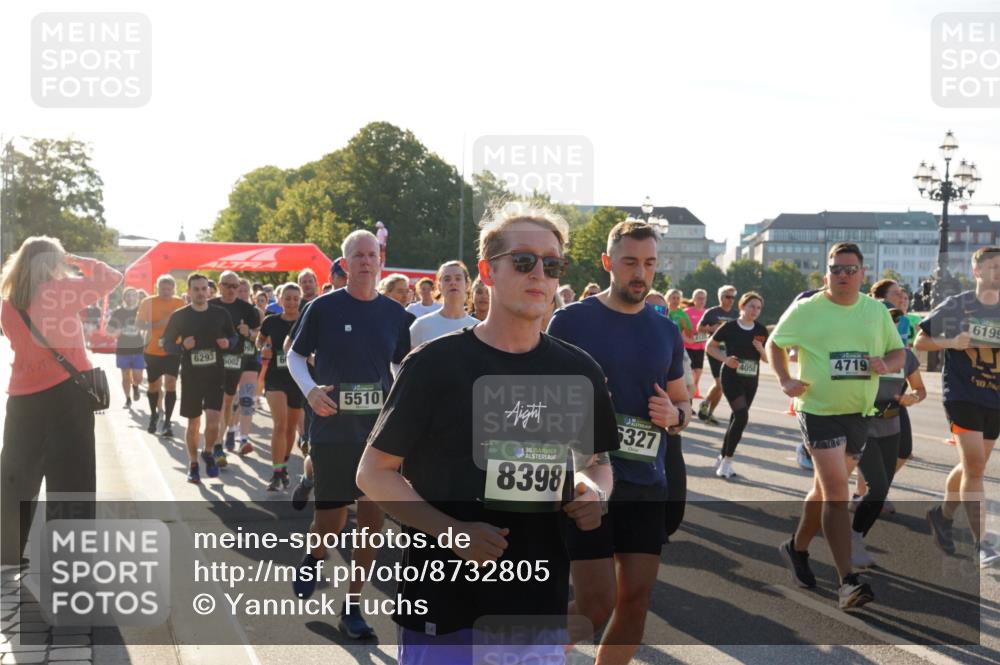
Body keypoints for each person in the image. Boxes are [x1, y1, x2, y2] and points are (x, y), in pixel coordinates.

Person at [357, 204, 617, 664]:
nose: (539, 273)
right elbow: (373, 473)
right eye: (523, 260)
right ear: (487, 272)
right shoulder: (434, 364)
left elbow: (597, 463)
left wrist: (595, 491)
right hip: (444, 607)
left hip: (536, 610)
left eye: (552, 264)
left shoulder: (578, 370)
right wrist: (453, 533)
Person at [547, 219, 689, 664]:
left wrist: (675, 416)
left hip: (646, 482)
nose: (640, 273)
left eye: (649, 263)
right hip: (586, 479)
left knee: (636, 599)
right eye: (630, 262)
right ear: (608, 262)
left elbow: (682, 400)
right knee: (595, 604)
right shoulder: (571, 320)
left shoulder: (665, 330)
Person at [287, 230, 411, 639]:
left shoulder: (395, 314)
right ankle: (315, 553)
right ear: (344, 263)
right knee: (330, 519)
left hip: (377, 433)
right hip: (332, 426)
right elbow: (295, 355)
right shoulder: (323, 308)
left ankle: (352, 606)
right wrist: (311, 391)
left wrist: (402, 406)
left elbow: (400, 367)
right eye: (357, 255)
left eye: (371, 254)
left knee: (372, 520)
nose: (365, 261)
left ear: (380, 261)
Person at [767, 242, 904, 609]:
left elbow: (898, 351)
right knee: (837, 492)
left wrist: (887, 364)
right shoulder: (807, 309)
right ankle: (848, 582)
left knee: (822, 490)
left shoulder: (875, 311)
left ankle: (796, 548)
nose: (842, 275)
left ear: (862, 274)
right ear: (826, 274)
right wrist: (784, 379)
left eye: (850, 269)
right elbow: (775, 343)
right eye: (835, 269)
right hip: (818, 409)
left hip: (858, 412)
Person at [0, 237, 122, 565]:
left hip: (22, 397)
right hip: (67, 393)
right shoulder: (60, 291)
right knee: (72, 475)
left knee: (16, 474)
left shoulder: (8, 303)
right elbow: (111, 278)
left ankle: (7, 550)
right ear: (52, 261)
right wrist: (77, 259)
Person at [917, 246, 1000, 567]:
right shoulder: (957, 305)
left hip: (995, 397)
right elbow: (919, 342)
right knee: (976, 468)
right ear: (977, 271)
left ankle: (942, 514)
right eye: (993, 266)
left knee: (972, 466)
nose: (999, 272)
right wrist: (950, 342)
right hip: (963, 395)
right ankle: (982, 543)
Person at [850, 308, 925, 568]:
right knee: (878, 487)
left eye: (894, 324)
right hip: (861, 428)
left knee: (880, 493)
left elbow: (920, 389)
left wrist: (912, 397)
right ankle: (852, 540)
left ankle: (857, 536)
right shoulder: (857, 353)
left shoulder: (906, 356)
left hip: (891, 428)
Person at [162, 273, 237, 484]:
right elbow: (166, 344)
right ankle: (193, 464)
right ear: (188, 291)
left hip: (215, 375)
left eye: (204, 289)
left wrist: (228, 343)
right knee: (193, 423)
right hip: (191, 376)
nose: (201, 293)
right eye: (196, 289)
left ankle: (208, 451)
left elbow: (233, 337)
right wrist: (181, 346)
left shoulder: (220, 313)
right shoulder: (180, 316)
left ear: (209, 290)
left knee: (213, 423)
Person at [706, 292, 769, 479]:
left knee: (736, 419)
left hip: (751, 379)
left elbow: (767, 359)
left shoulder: (761, 330)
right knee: (742, 417)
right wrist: (726, 359)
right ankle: (727, 461)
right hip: (731, 377)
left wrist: (761, 350)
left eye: (758, 308)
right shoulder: (730, 327)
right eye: (751, 306)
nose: (755, 311)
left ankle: (721, 457)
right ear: (742, 307)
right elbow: (709, 346)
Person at [210, 271, 262, 461]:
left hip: (242, 359)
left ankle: (237, 436)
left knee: (235, 400)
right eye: (227, 285)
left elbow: (259, 336)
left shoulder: (248, 310)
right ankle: (218, 444)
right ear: (219, 286)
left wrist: (249, 333)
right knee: (218, 403)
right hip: (216, 360)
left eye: (235, 286)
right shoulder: (210, 306)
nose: (231, 289)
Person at [258, 283, 304, 491]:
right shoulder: (271, 321)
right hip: (276, 377)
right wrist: (264, 348)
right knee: (280, 424)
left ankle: (283, 465)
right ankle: (276, 472)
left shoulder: (306, 320)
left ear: (300, 300)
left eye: (295, 298)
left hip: (298, 379)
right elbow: (259, 342)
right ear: (279, 299)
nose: (292, 302)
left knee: (291, 427)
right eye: (288, 298)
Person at [136, 275, 185, 436]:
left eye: (169, 289)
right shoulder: (148, 302)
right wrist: (157, 324)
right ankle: (154, 415)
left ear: (173, 289)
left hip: (172, 350)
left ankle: (168, 422)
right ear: (157, 288)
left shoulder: (179, 303)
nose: (166, 291)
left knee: (171, 384)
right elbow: (138, 324)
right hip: (152, 350)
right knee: (153, 386)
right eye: (163, 288)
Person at [409, 261, 479, 349]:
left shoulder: (478, 328)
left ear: (467, 284)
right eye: (447, 279)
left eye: (458, 278)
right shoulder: (421, 325)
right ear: (439, 287)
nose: (453, 283)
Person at [697, 285, 739, 425]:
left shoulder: (736, 314)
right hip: (714, 350)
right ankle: (706, 405)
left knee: (722, 385)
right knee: (720, 383)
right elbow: (699, 329)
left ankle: (709, 411)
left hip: (730, 352)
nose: (731, 300)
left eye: (733, 297)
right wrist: (710, 328)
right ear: (720, 297)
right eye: (728, 297)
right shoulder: (712, 312)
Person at [107, 287, 146, 409]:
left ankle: (136, 386)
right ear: (124, 298)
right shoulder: (118, 313)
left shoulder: (142, 311)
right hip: (123, 349)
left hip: (139, 349)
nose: (131, 298)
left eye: (133, 295)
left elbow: (149, 327)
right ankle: (128, 399)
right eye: (128, 295)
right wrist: (116, 332)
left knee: (138, 377)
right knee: (125, 376)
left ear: (137, 298)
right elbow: (108, 330)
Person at [684, 288, 709, 398]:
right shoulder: (687, 312)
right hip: (687, 347)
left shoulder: (707, 313)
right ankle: (687, 395)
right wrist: (688, 339)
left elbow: (709, 332)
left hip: (700, 348)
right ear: (694, 299)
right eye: (699, 298)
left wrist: (701, 337)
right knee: (691, 374)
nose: (701, 300)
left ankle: (693, 393)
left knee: (698, 373)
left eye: (703, 298)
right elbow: (679, 329)